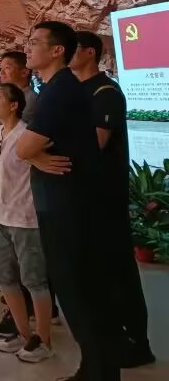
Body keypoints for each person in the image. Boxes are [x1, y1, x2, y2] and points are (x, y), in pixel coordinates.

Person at [17, 21, 122, 381]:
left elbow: (23, 146)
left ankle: (100, 372)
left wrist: (31, 154)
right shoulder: (55, 88)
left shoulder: (60, 90)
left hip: (70, 207)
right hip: (62, 204)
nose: (28, 48)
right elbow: (28, 149)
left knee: (80, 293)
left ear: (57, 50)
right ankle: (93, 369)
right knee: (77, 292)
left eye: (35, 42)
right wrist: (35, 157)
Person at [71, 31, 155, 368]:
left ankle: (136, 342)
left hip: (105, 196)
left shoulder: (105, 92)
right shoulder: (75, 90)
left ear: (90, 53)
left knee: (118, 270)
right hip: (83, 197)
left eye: (74, 48)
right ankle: (109, 338)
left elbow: (96, 143)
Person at [0, 84, 54, 363]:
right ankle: (24, 334)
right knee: (4, 277)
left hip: (25, 219)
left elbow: (46, 162)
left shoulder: (27, 136)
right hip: (0, 217)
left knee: (34, 280)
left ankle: (44, 340)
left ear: (14, 105)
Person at [0, 51, 37, 123]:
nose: (1, 73)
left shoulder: (31, 99)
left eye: (7, 68)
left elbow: (15, 127)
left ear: (24, 73)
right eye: (1, 68)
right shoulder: (6, 97)